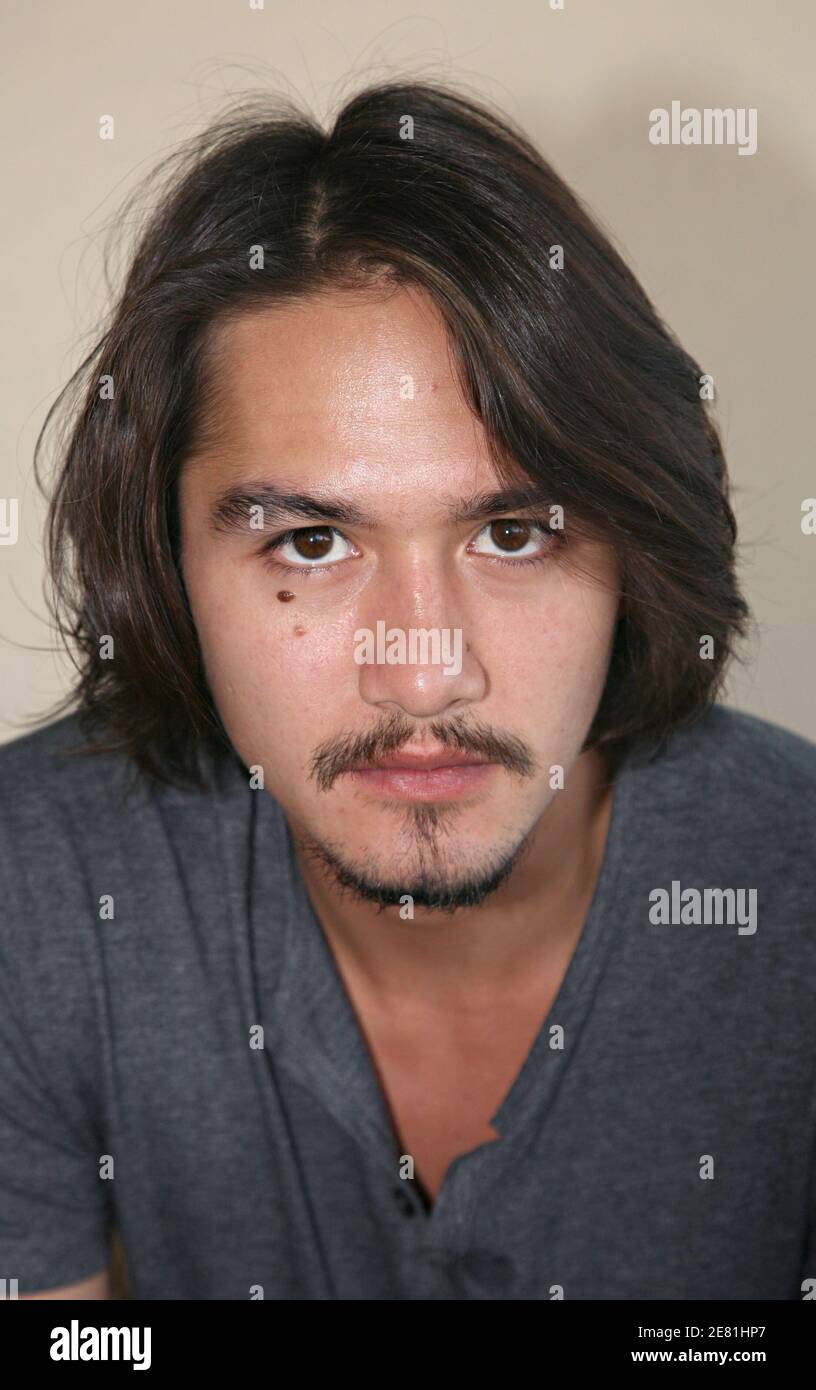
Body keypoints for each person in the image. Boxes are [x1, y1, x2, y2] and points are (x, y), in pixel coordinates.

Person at [1, 79, 814, 1302]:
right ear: (167, 568)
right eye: (313, 544)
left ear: (638, 544)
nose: (426, 667)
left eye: (516, 532)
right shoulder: (43, 887)